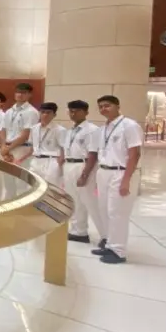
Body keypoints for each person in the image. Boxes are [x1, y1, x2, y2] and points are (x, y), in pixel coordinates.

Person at [79, 95, 143, 265]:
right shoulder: (103, 129)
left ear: (117, 106)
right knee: (105, 210)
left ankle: (118, 251)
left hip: (120, 172)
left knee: (117, 213)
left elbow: (135, 154)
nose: (103, 109)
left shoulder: (129, 126)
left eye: (107, 105)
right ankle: (109, 244)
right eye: (100, 107)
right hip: (104, 172)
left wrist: (126, 180)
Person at [62, 100, 101, 244]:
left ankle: (104, 235)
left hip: (82, 165)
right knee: (74, 200)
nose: (73, 114)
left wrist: (85, 174)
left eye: (77, 111)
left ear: (86, 112)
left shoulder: (92, 130)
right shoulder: (70, 130)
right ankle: (78, 231)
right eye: (71, 111)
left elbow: (93, 154)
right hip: (69, 165)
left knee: (88, 202)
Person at [0, 83, 40, 200]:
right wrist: (3, 147)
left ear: (29, 95)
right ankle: (8, 204)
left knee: (20, 182)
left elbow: (25, 134)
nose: (20, 95)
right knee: (7, 180)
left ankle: (21, 207)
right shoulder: (9, 111)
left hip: (21, 148)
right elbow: (3, 130)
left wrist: (8, 148)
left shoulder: (31, 112)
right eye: (18, 92)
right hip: (7, 148)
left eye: (23, 93)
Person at [22, 102, 65, 186]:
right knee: (32, 186)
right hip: (36, 160)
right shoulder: (34, 128)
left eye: (48, 113)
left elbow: (63, 148)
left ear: (54, 115)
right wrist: (22, 159)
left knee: (50, 187)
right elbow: (32, 148)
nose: (45, 115)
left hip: (51, 161)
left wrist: (60, 163)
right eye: (43, 112)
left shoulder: (60, 130)